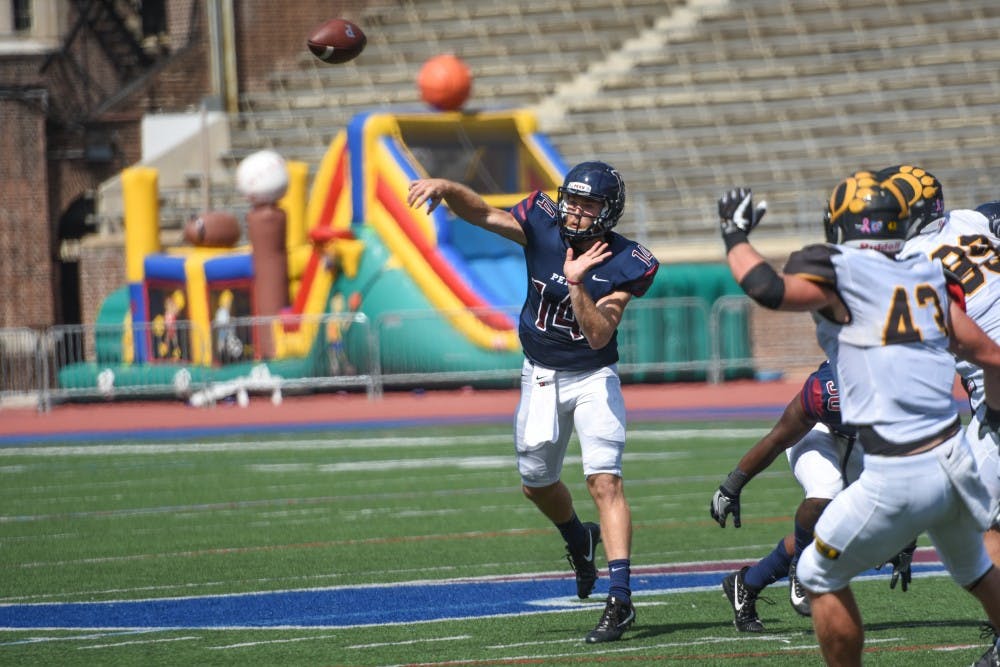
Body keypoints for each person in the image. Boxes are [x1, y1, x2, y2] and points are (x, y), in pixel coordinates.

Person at [716, 175, 1000, 666]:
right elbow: (988, 354)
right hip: (956, 460)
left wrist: (734, 236)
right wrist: (993, 413)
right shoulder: (926, 271)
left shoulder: (837, 266)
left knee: (818, 574)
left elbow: (765, 287)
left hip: (897, 470)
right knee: (976, 569)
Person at [407, 161, 659, 643]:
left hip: (591, 376)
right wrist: (447, 185)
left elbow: (600, 331)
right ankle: (577, 537)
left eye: (588, 205)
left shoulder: (629, 261)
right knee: (536, 483)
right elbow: (481, 213)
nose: (576, 211)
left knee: (605, 481)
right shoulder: (542, 220)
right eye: (574, 200)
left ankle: (621, 597)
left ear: (608, 212)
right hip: (540, 374)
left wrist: (578, 282)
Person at [711, 360, 869, 632]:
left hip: (862, 443)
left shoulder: (904, 384)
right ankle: (803, 570)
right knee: (824, 492)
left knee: (851, 531)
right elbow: (778, 439)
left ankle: (747, 583)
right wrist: (732, 485)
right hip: (818, 432)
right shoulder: (826, 390)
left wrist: (905, 537)